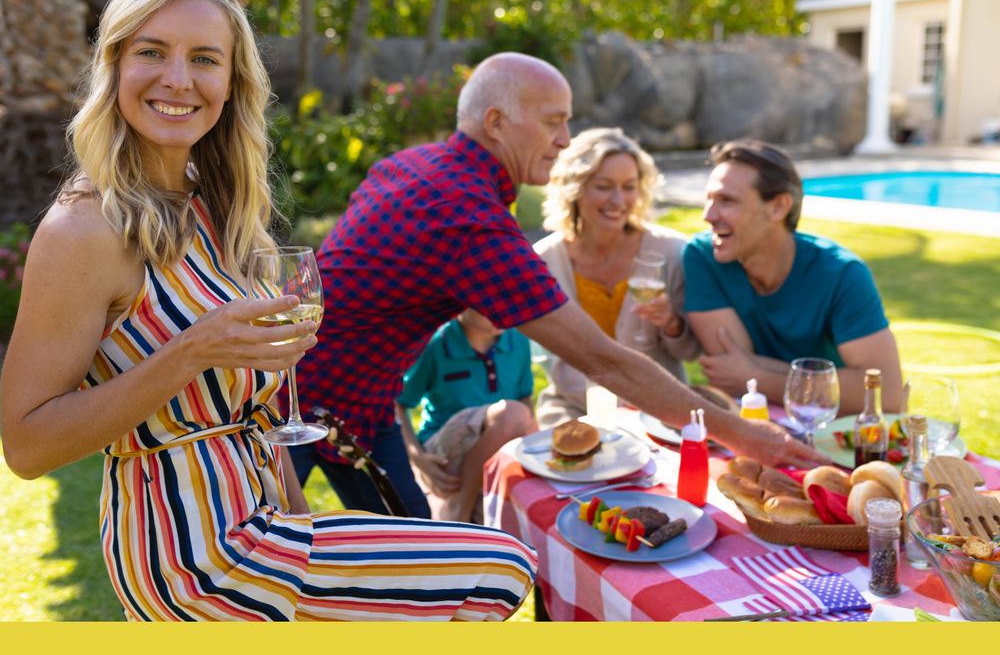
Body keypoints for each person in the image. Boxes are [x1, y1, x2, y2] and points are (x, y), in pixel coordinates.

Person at [0, 0, 535, 622]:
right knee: (498, 570)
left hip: (262, 523)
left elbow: (262, 418)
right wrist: (192, 351)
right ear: (113, 67)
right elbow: (26, 446)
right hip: (189, 554)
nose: (178, 78)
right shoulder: (83, 228)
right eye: (151, 52)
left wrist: (303, 522)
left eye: (203, 58)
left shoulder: (207, 205)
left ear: (230, 83)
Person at [291, 52, 826, 513]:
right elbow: (603, 359)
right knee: (275, 580)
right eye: (553, 122)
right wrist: (744, 434)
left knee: (405, 559)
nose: (565, 140)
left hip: (357, 402)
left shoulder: (417, 165)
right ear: (497, 122)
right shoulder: (465, 212)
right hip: (287, 402)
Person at [684, 139, 903, 414]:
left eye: (727, 201)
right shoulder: (703, 257)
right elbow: (727, 367)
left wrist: (758, 378)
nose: (708, 215)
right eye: (709, 199)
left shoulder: (842, 274)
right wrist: (825, 381)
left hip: (829, 436)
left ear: (778, 207)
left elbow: (887, 396)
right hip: (747, 426)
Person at [534, 127, 699, 427]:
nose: (618, 199)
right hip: (572, 411)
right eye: (604, 186)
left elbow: (688, 353)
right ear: (576, 187)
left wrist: (671, 323)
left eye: (629, 186)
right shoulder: (544, 260)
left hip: (659, 413)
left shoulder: (672, 251)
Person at [397, 308, 538, 524]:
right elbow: (398, 403)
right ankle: (459, 505)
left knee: (504, 524)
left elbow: (524, 397)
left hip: (496, 452)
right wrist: (417, 458)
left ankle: (475, 509)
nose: (501, 309)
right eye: (488, 302)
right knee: (513, 414)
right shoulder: (436, 344)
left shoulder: (517, 339)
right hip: (448, 456)